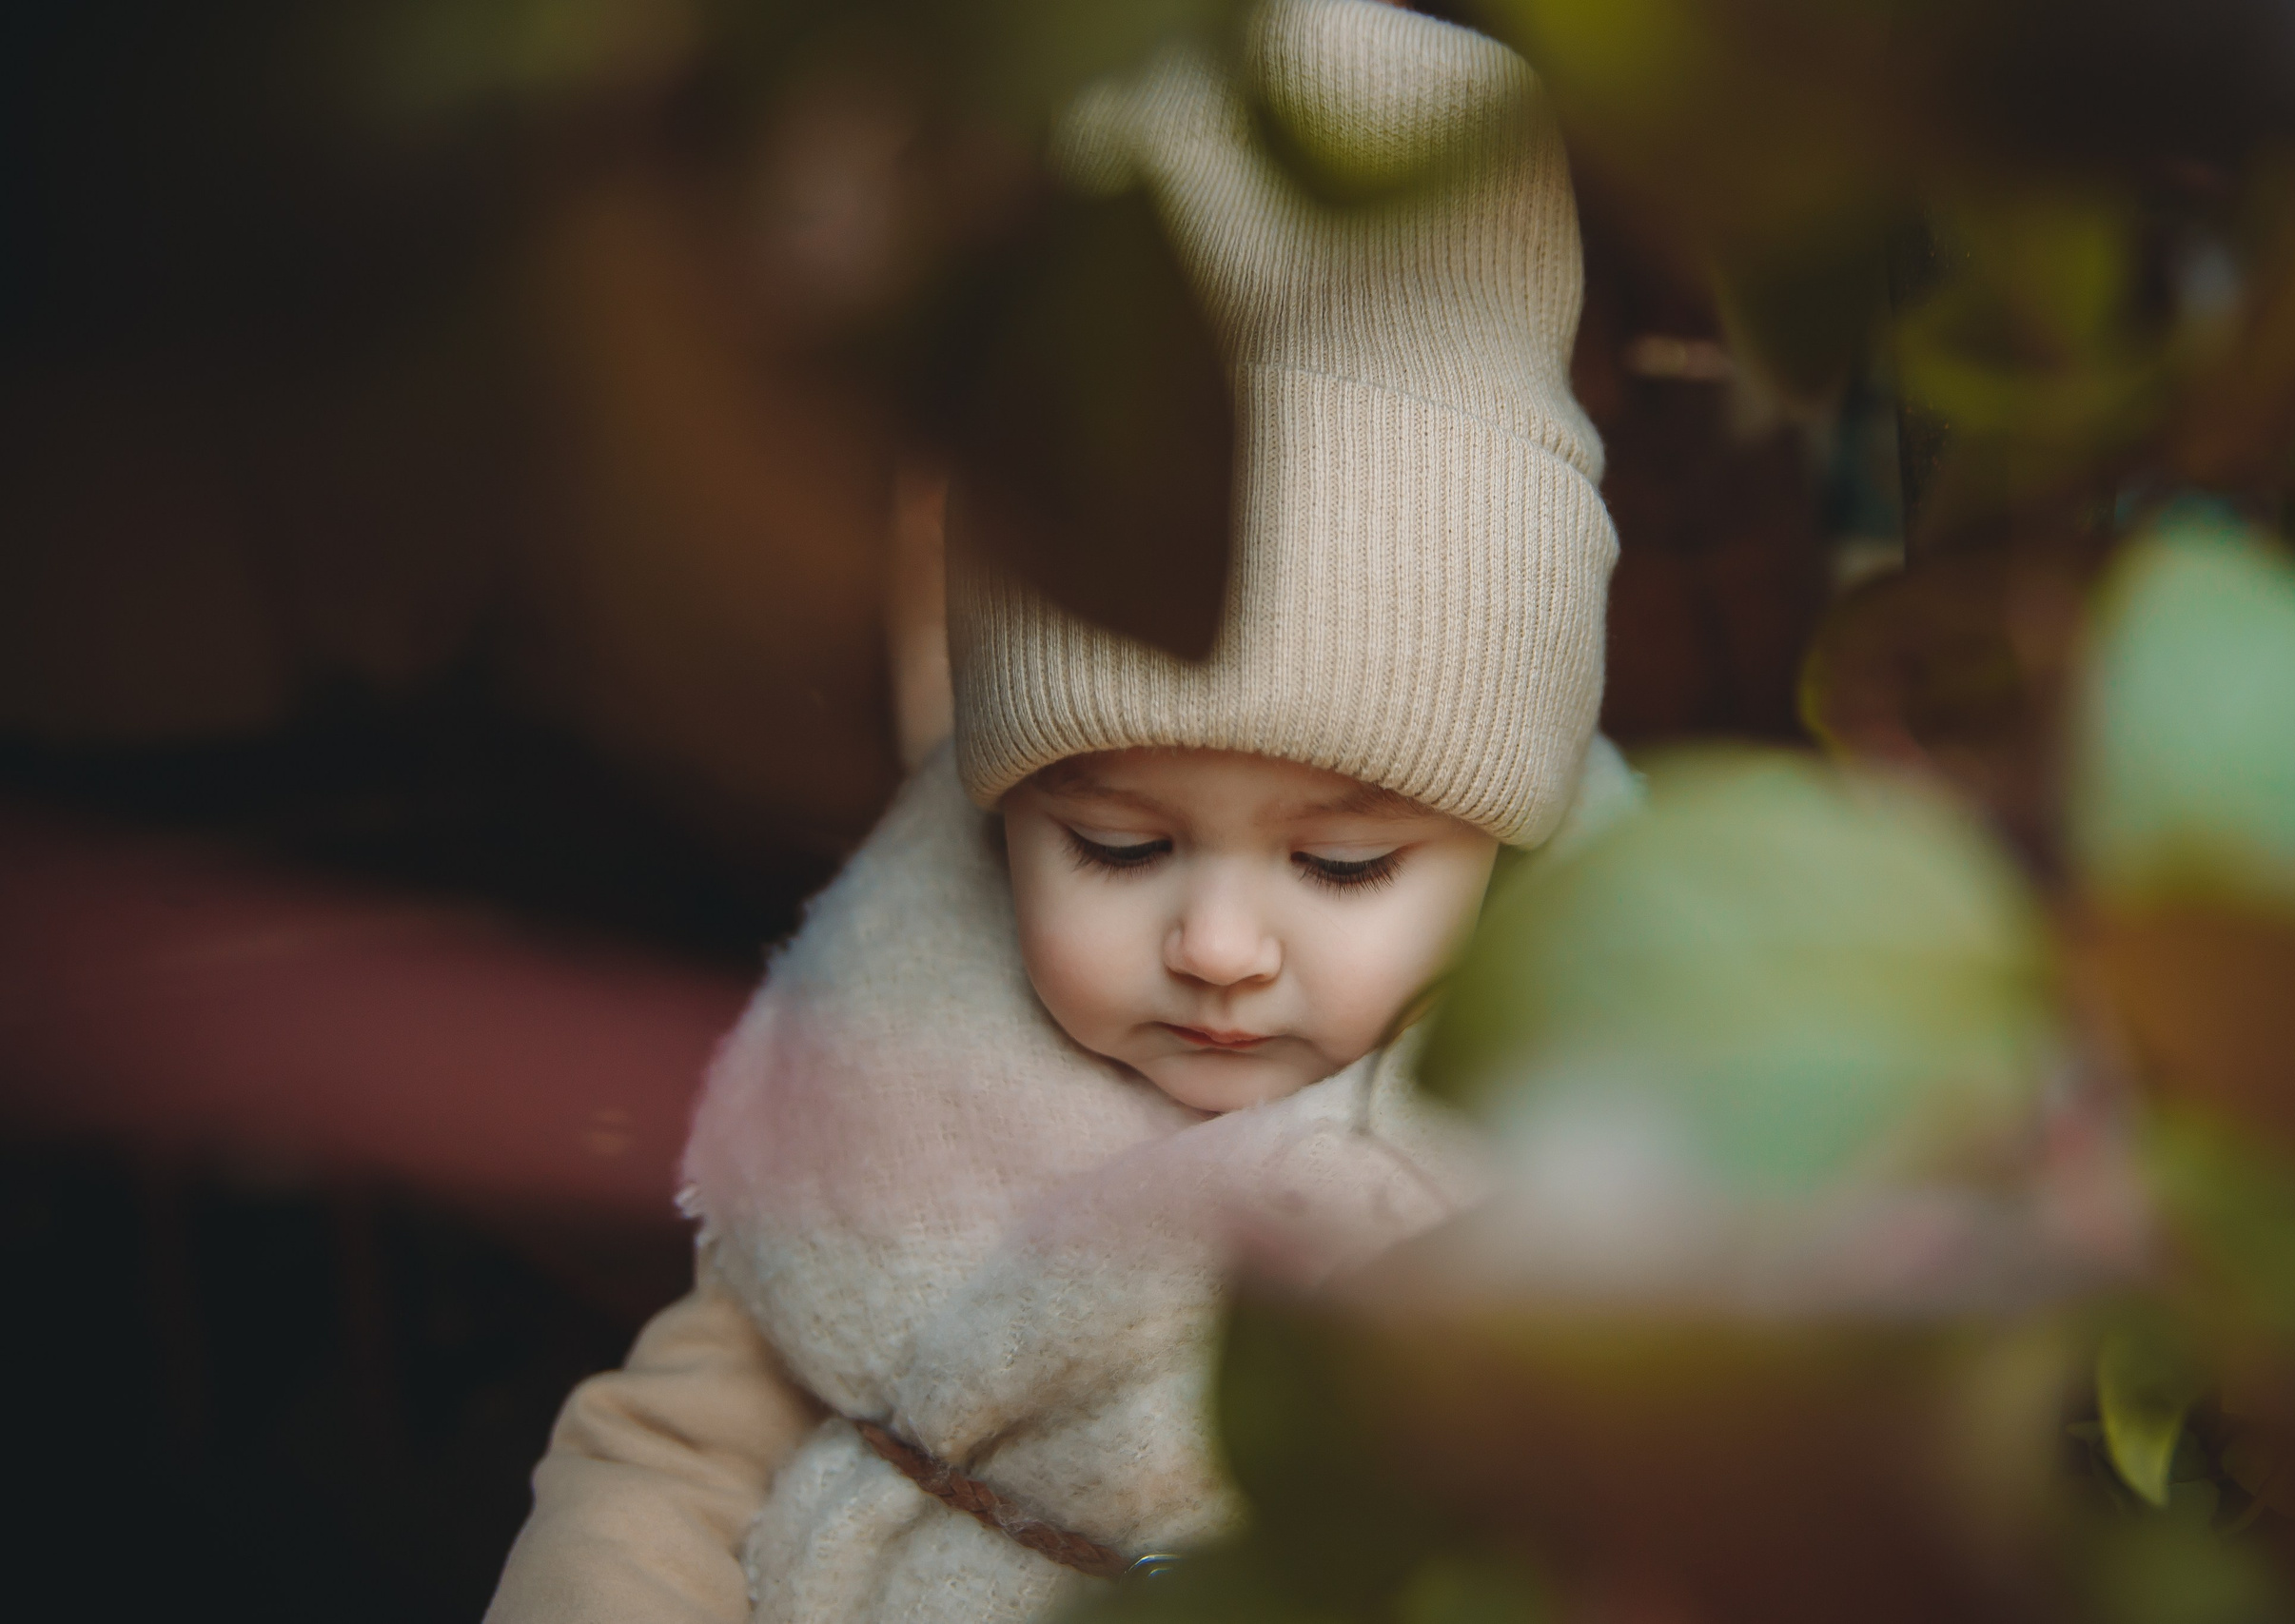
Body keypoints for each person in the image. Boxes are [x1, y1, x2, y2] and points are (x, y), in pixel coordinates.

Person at [486, 1, 1623, 1618]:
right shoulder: (886, 1046)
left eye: (1345, 862)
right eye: (1114, 844)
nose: (1219, 944)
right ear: (1002, 812)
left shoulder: (1598, 1160)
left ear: (1506, 843)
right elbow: (663, 1456)